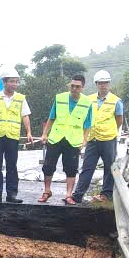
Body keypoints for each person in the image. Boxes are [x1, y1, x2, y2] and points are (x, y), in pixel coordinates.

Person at [71, 69, 124, 203]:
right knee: (87, 167)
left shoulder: (116, 101)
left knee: (109, 167)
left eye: (105, 83)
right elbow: (84, 117)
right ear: (96, 84)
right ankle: (77, 195)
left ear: (109, 84)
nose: (103, 85)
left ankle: (106, 195)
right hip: (92, 139)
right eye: (100, 83)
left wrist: (110, 131)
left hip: (108, 139)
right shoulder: (88, 99)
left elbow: (119, 120)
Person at [39, 73, 91, 205]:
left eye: (77, 87)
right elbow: (52, 117)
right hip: (56, 137)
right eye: (72, 86)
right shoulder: (60, 98)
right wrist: (45, 134)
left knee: (71, 168)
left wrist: (84, 141)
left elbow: (88, 125)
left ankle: (68, 195)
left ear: (82, 87)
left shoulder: (87, 103)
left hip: (73, 140)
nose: (74, 89)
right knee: (48, 165)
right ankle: (47, 191)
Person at [0, 68, 32, 202]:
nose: (14, 84)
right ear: (4, 82)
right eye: (11, 81)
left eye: (16, 82)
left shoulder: (21, 99)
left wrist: (28, 132)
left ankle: (12, 194)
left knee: (12, 165)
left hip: (12, 135)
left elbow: (25, 115)